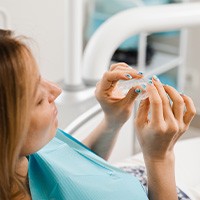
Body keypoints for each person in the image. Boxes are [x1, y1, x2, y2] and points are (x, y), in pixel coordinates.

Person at [0, 29, 196, 200]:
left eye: (40, 77)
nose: (56, 90)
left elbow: (75, 168)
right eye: (39, 99)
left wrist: (113, 121)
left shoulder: (26, 149)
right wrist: (160, 157)